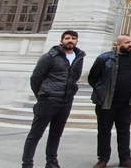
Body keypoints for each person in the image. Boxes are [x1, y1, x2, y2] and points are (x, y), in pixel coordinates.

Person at [22, 30, 85, 168]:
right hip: (48, 100)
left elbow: (75, 77)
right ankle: (27, 164)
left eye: (73, 38)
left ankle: (51, 162)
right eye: (67, 38)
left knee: (56, 134)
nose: (70, 41)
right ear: (61, 40)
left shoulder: (79, 57)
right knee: (35, 134)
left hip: (66, 101)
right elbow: (36, 78)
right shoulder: (50, 57)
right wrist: (42, 95)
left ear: (77, 41)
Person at [88, 35, 131, 168]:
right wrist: (101, 92)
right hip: (107, 102)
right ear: (118, 44)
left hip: (126, 103)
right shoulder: (104, 58)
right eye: (127, 42)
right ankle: (103, 159)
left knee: (124, 130)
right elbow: (93, 78)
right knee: (104, 130)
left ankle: (125, 158)